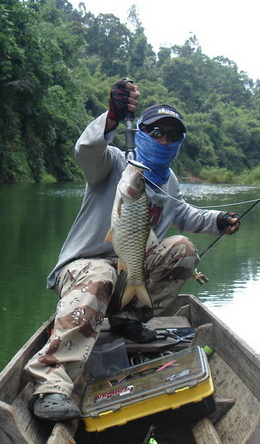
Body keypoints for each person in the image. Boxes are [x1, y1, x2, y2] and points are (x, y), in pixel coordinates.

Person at [24, 79, 241, 421]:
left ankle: (127, 318)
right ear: (140, 132)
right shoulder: (112, 163)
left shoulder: (168, 181)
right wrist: (111, 117)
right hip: (83, 272)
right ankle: (51, 385)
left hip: (127, 272)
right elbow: (86, 149)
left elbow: (183, 214)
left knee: (182, 249)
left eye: (172, 135)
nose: (164, 139)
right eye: (156, 131)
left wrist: (219, 220)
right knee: (101, 270)